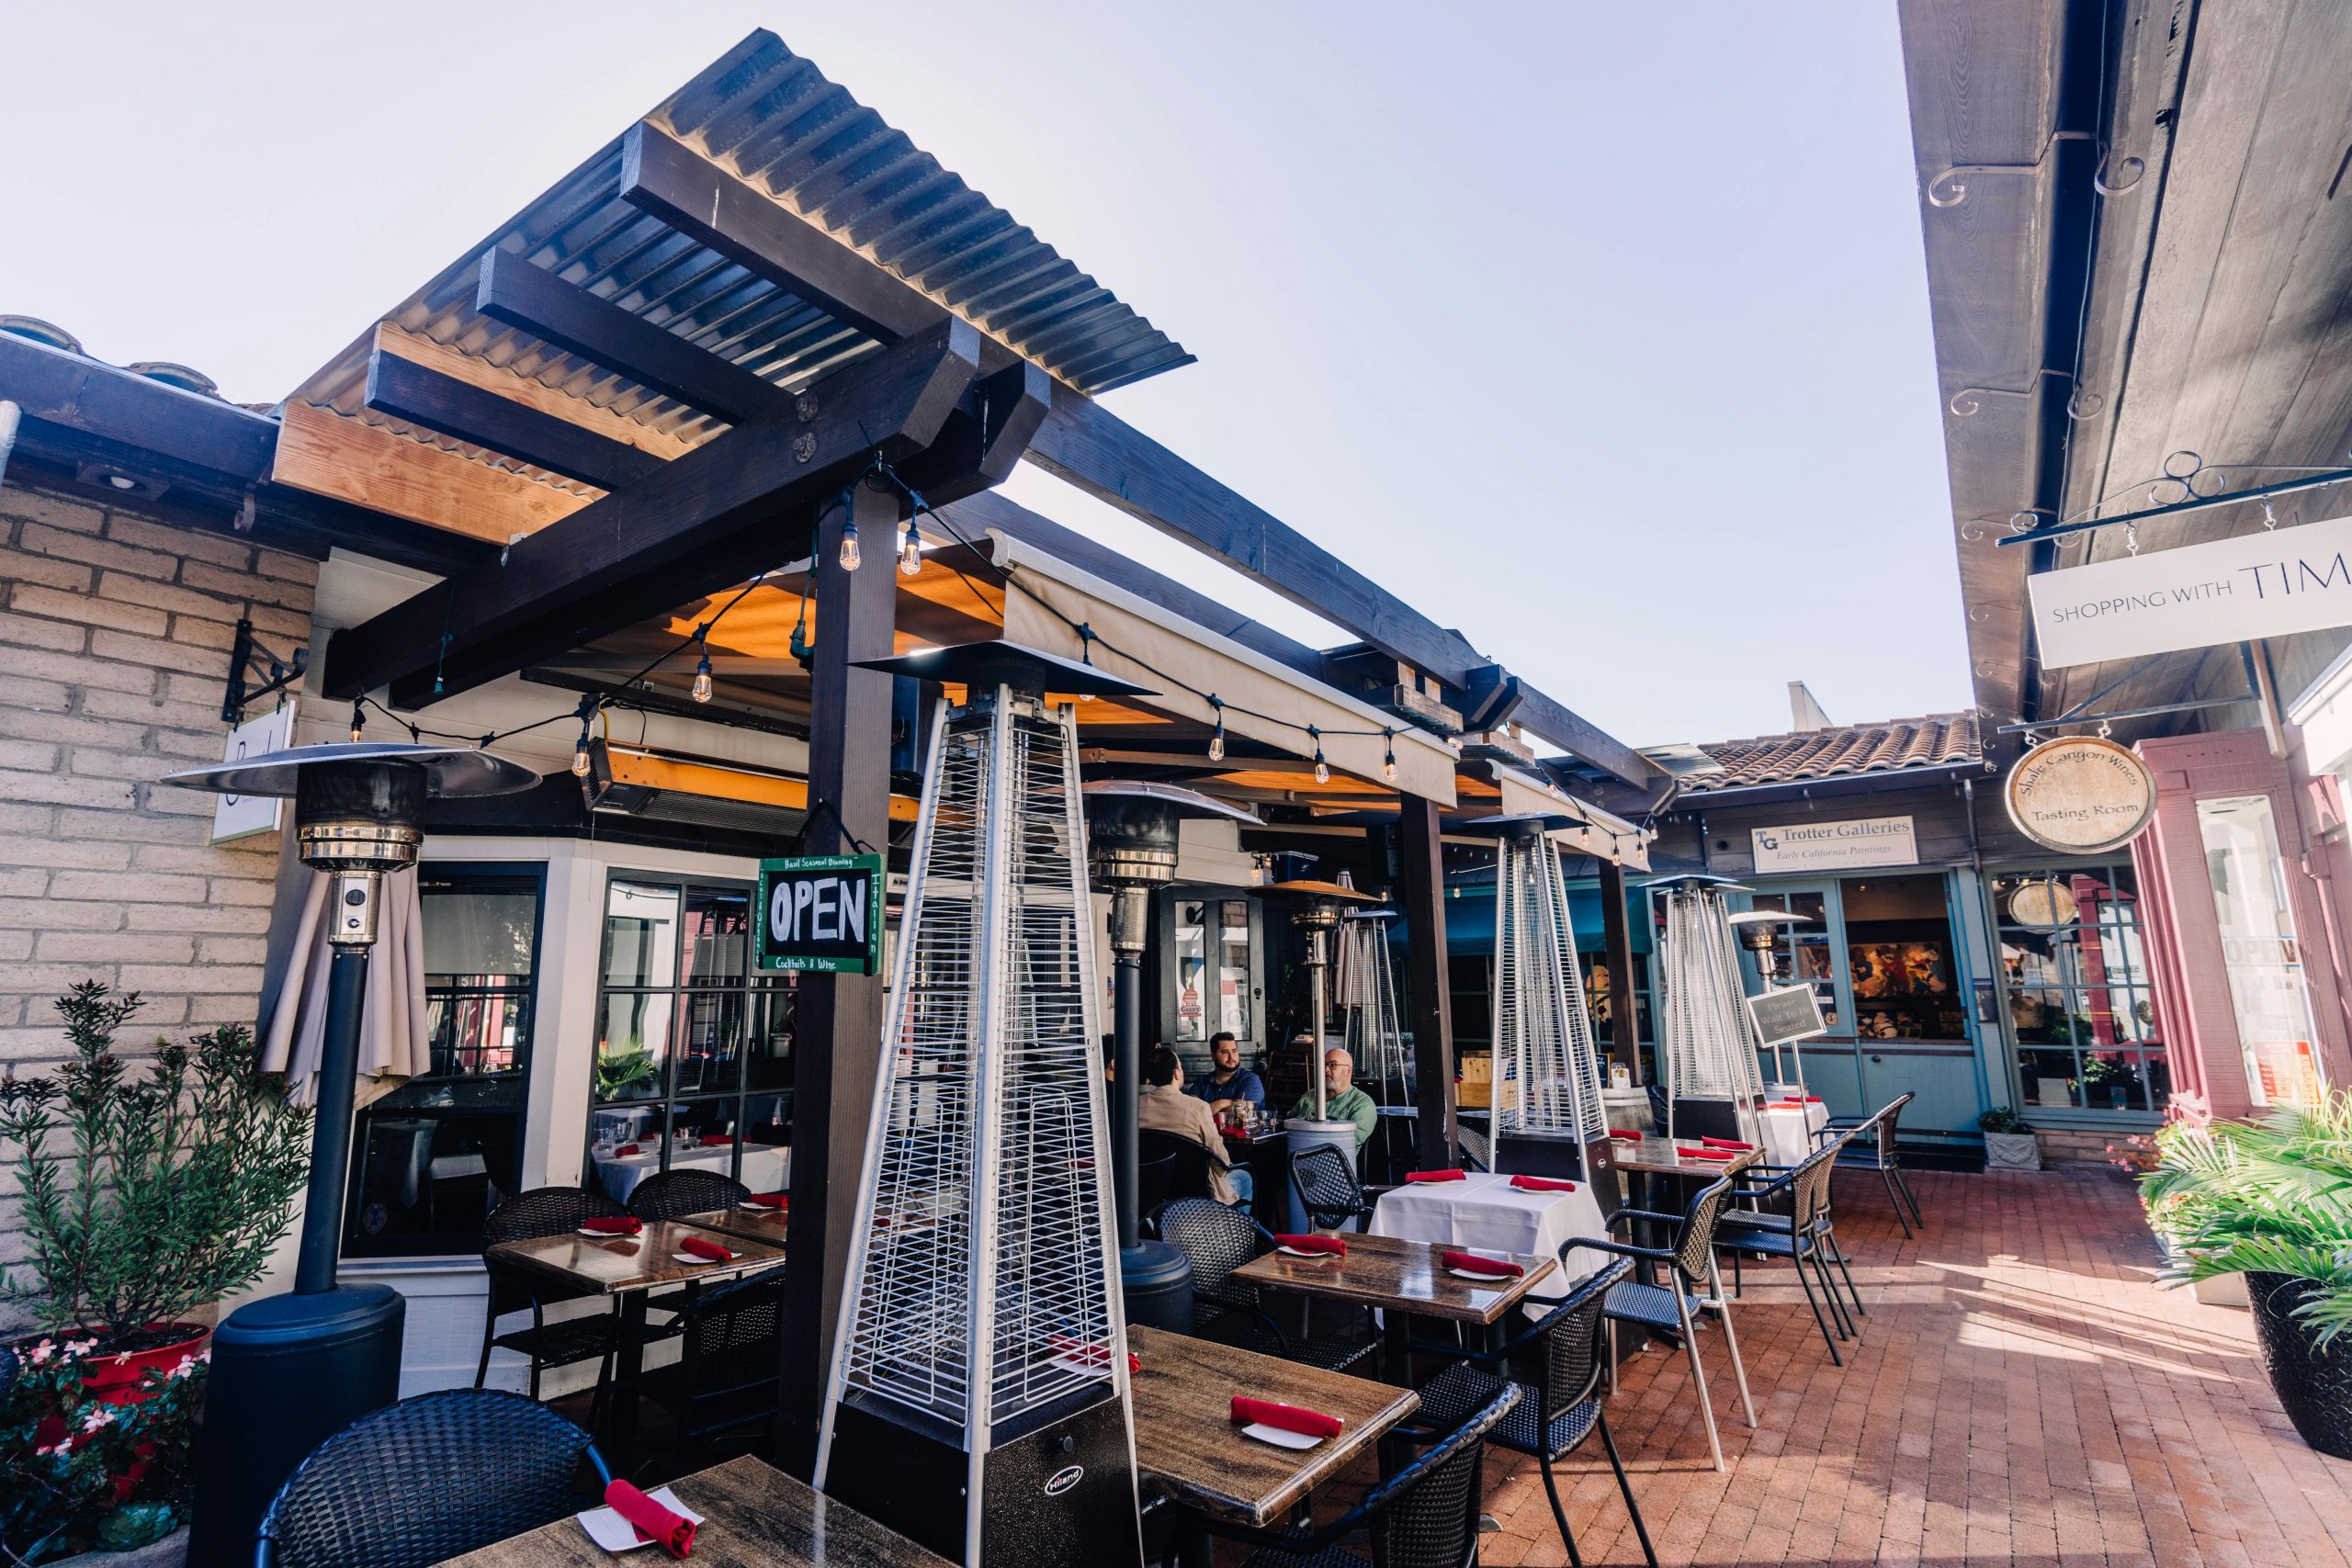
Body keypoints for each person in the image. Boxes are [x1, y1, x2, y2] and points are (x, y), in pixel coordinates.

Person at [1136, 1044, 1250, 1206]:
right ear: (1176, 1074)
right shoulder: (1198, 1107)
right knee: (1246, 1178)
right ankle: (1233, 1230)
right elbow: (1221, 1164)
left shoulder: (1135, 1107)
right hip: (1198, 1193)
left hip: (1151, 1190)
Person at [1288, 1043, 1378, 1150]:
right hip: (1294, 1156)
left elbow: (1350, 1140)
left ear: (1348, 1071)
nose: (1326, 1070)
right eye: (1324, 1065)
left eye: (1332, 1065)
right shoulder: (1310, 1095)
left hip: (1333, 1163)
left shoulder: (1362, 1104)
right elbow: (1288, 1122)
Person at [1186, 1032, 1265, 1120]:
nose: (1231, 1057)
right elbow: (1192, 1113)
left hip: (1246, 1133)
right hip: (1208, 1133)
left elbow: (1240, 1113)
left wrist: (1207, 1110)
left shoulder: (1251, 1080)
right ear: (1213, 1056)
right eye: (1225, 1052)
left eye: (1234, 1051)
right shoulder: (1202, 1081)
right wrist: (1222, 1103)